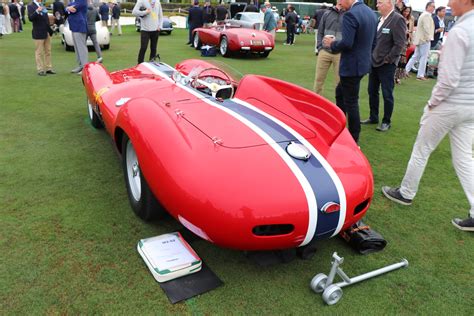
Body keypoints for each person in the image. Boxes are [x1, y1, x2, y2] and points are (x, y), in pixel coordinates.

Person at [382, 0, 474, 232]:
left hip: (450, 104)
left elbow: (449, 79)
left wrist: (433, 103)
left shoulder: (461, 31)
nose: (450, 2)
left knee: (422, 149)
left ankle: (405, 192)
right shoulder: (464, 28)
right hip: (469, 106)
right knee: (464, 157)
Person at [323, 0, 377, 144]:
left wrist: (332, 44)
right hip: (362, 64)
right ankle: (339, 126)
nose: (339, 3)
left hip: (352, 66)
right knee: (340, 93)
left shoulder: (351, 15)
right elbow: (373, 42)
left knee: (351, 102)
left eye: (341, 0)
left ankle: (353, 138)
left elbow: (347, 43)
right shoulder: (370, 13)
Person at [362, 0, 407, 132]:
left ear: (389, 3)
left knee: (387, 93)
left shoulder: (397, 19)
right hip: (374, 62)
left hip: (386, 64)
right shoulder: (379, 19)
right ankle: (373, 117)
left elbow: (399, 43)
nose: (377, 5)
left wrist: (389, 59)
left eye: (380, 2)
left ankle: (386, 121)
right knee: (372, 91)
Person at [313, 0, 344, 95]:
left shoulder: (349, 15)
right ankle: (316, 104)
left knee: (340, 82)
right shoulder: (327, 13)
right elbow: (320, 31)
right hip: (324, 52)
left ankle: (339, 107)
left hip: (340, 53)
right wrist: (319, 47)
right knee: (318, 80)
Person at [404, 2, 435, 81]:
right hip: (424, 39)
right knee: (424, 57)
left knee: (416, 56)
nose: (433, 8)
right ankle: (420, 75)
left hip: (420, 39)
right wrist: (429, 38)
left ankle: (406, 70)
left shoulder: (424, 15)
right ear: (428, 7)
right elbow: (426, 28)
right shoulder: (426, 15)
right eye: (432, 6)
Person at [27, 0, 55, 76]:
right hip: (38, 32)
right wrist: (37, 11)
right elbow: (30, 18)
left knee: (48, 51)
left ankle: (48, 68)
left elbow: (46, 19)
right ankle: (40, 69)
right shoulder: (30, 6)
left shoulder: (42, 4)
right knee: (39, 52)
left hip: (46, 32)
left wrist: (50, 30)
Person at [66, 0, 88, 75]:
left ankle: (85, 67)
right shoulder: (74, 2)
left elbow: (74, 8)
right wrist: (68, 8)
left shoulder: (82, 1)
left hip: (79, 26)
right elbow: (67, 8)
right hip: (74, 26)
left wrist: (69, 8)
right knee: (77, 48)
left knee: (81, 48)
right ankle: (80, 65)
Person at [395, 5, 415, 83]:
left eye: (408, 11)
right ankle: (393, 76)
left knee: (402, 60)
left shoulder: (411, 19)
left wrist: (410, 40)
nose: (406, 13)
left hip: (406, 41)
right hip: (398, 40)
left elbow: (411, 30)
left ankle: (398, 77)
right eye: (405, 11)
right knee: (397, 58)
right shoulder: (398, 17)